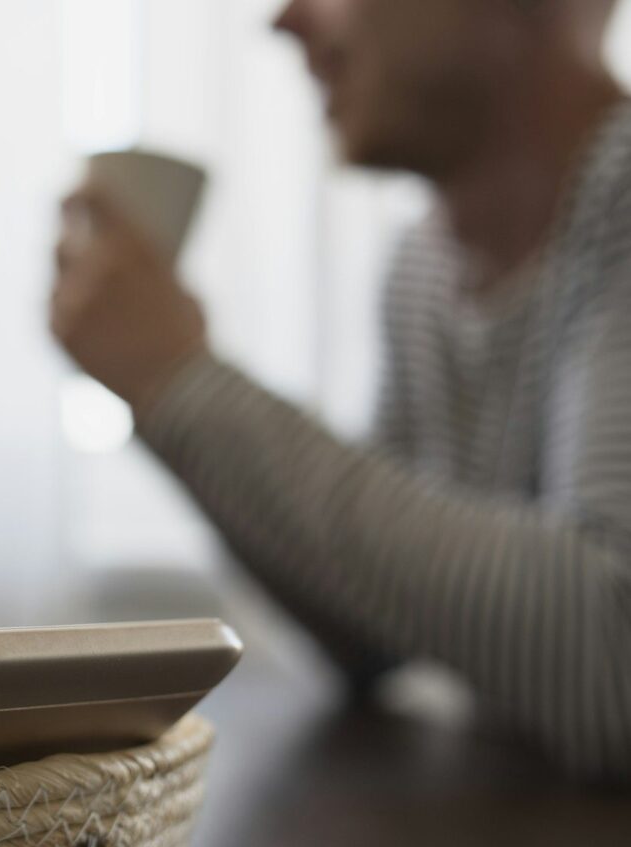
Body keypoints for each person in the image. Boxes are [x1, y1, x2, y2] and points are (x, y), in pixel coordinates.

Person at [52, 0, 631, 778]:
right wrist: (161, 396)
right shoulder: (423, 270)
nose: (286, 19)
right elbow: (373, 633)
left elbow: (614, 655)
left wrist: (183, 383)